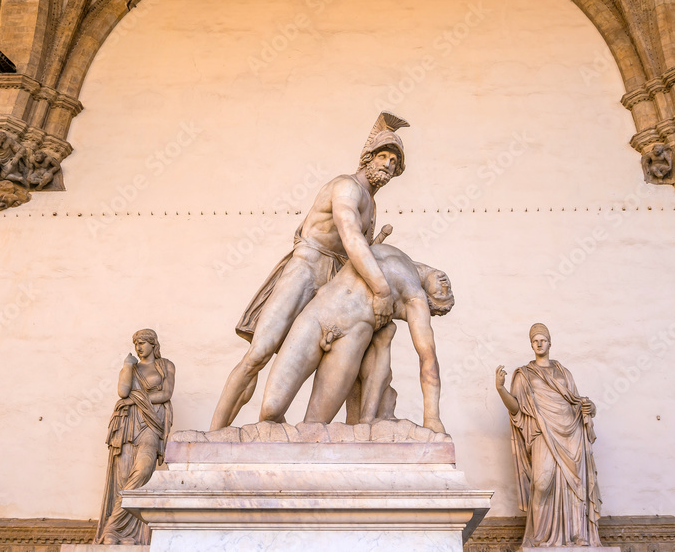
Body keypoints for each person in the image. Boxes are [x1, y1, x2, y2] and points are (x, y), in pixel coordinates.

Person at [210, 112, 409, 430]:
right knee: (260, 352)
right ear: (367, 158)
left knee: (358, 354)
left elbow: (359, 251)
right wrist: (382, 289)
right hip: (306, 268)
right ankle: (214, 432)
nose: (387, 164)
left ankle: (357, 431)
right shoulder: (346, 187)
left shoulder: (371, 207)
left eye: (393, 161)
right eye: (382, 156)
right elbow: (350, 235)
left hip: (335, 281)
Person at [259, 243, 454, 432]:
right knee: (270, 410)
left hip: (348, 342)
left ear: (429, 304)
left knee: (313, 429)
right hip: (317, 316)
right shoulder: (394, 253)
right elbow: (351, 239)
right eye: (448, 292)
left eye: (442, 295)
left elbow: (427, 357)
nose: (446, 287)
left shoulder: (414, 298)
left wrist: (432, 418)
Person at [495, 323, 602, 547]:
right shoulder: (524, 375)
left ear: (550, 342)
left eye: (543, 339)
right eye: (535, 340)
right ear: (531, 344)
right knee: (541, 483)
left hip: (571, 432)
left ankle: (577, 535)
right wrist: (501, 389)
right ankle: (538, 535)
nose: (540, 343)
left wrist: (589, 408)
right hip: (542, 432)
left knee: (574, 485)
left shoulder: (564, 372)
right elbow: (516, 409)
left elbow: (576, 401)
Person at [95, 329, 175, 545]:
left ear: (153, 344)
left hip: (151, 423)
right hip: (128, 423)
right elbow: (123, 391)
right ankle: (120, 534)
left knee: (143, 470)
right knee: (123, 477)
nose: (138, 347)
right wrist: (127, 366)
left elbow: (166, 394)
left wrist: (136, 399)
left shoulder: (165, 365)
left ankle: (112, 525)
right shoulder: (131, 367)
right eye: (135, 343)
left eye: (142, 342)